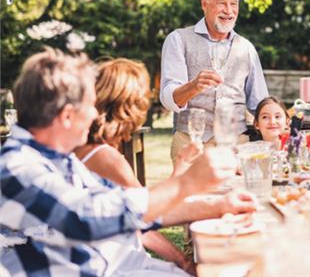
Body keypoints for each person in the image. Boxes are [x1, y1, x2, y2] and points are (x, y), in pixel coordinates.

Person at [0, 48, 255, 276]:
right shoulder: (16, 166)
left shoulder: (60, 160)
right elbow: (83, 217)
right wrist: (185, 184)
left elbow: (132, 209)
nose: (94, 114)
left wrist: (220, 205)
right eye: (90, 106)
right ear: (67, 116)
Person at [73, 58, 194, 274]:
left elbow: (136, 216)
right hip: (115, 265)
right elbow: (147, 217)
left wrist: (180, 167)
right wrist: (184, 263)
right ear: (130, 105)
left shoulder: (84, 147)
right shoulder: (106, 157)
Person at [160, 0, 269, 163]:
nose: (229, 11)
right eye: (222, 4)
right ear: (204, 4)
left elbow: (258, 103)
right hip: (191, 143)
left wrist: (280, 116)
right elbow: (168, 99)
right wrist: (194, 86)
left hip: (236, 145)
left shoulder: (246, 48)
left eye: (234, 4)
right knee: (193, 194)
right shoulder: (178, 39)